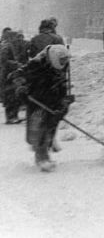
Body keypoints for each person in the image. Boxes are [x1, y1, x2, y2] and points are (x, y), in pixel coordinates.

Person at [12, 44, 73, 172]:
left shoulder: (62, 65)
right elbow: (18, 74)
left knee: (51, 125)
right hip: (37, 101)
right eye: (62, 60)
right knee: (39, 127)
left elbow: (63, 83)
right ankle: (41, 157)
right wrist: (20, 85)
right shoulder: (36, 64)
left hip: (54, 98)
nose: (64, 63)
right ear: (54, 57)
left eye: (65, 60)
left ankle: (45, 148)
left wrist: (64, 102)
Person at [0, 31, 25, 124]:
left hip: (7, 74)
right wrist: (16, 64)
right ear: (10, 37)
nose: (16, 38)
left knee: (12, 96)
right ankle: (11, 117)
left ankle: (13, 116)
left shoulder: (6, 45)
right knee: (11, 96)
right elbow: (4, 60)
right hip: (8, 75)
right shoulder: (6, 46)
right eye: (14, 36)